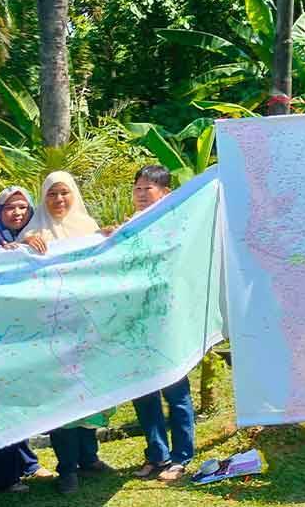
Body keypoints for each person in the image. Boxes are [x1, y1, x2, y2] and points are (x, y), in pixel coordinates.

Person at [19, 171, 115, 494]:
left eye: (64, 193)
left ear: (73, 194)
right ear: (43, 198)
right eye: (52, 194)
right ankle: (67, 469)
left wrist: (110, 239)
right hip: (51, 331)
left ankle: (89, 458)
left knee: (88, 395)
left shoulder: (88, 228)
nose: (59, 200)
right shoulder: (34, 232)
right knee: (61, 400)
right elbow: (14, 264)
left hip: (86, 328)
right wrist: (23, 244)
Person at [0, 186, 55, 482]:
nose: (17, 212)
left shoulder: (43, 234)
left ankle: (28, 462)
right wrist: (8, 251)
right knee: (6, 398)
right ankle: (17, 466)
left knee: (23, 399)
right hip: (1, 332)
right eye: (10, 207)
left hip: (32, 331)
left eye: (22, 207)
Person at [128, 166, 197, 482]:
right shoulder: (128, 228)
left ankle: (182, 456)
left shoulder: (176, 226)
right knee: (143, 392)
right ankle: (157, 454)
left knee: (175, 390)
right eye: (138, 189)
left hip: (169, 322)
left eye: (149, 189)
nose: (142, 195)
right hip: (135, 323)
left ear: (166, 193)